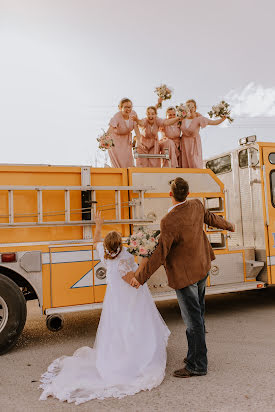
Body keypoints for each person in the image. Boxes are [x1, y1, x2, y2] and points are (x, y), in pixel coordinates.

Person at [39, 211, 170, 404]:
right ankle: (135, 355)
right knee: (132, 324)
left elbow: (95, 241)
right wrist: (145, 258)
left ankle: (121, 351)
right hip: (129, 299)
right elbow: (134, 282)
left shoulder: (105, 254)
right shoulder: (124, 259)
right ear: (120, 245)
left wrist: (98, 224)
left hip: (113, 300)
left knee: (116, 327)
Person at [123, 177, 235, 378]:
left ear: (170, 194)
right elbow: (211, 217)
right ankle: (194, 355)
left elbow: (160, 252)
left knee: (193, 321)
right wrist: (228, 225)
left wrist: (139, 278)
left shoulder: (169, 220)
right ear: (188, 193)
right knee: (197, 316)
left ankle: (197, 365)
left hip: (185, 276)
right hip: (201, 268)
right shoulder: (196, 205)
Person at [181, 99, 226, 168]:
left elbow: (213, 122)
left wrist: (223, 119)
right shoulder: (182, 118)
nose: (190, 109)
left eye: (192, 107)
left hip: (194, 144)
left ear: (195, 108)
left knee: (194, 162)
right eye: (188, 107)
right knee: (184, 163)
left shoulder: (199, 118)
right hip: (184, 143)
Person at [107, 98, 140, 168]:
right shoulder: (117, 116)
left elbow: (136, 129)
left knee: (128, 158)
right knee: (118, 160)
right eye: (125, 107)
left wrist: (139, 141)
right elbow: (111, 128)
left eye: (129, 107)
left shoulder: (133, 114)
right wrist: (105, 139)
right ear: (120, 108)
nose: (128, 109)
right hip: (115, 140)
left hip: (126, 139)